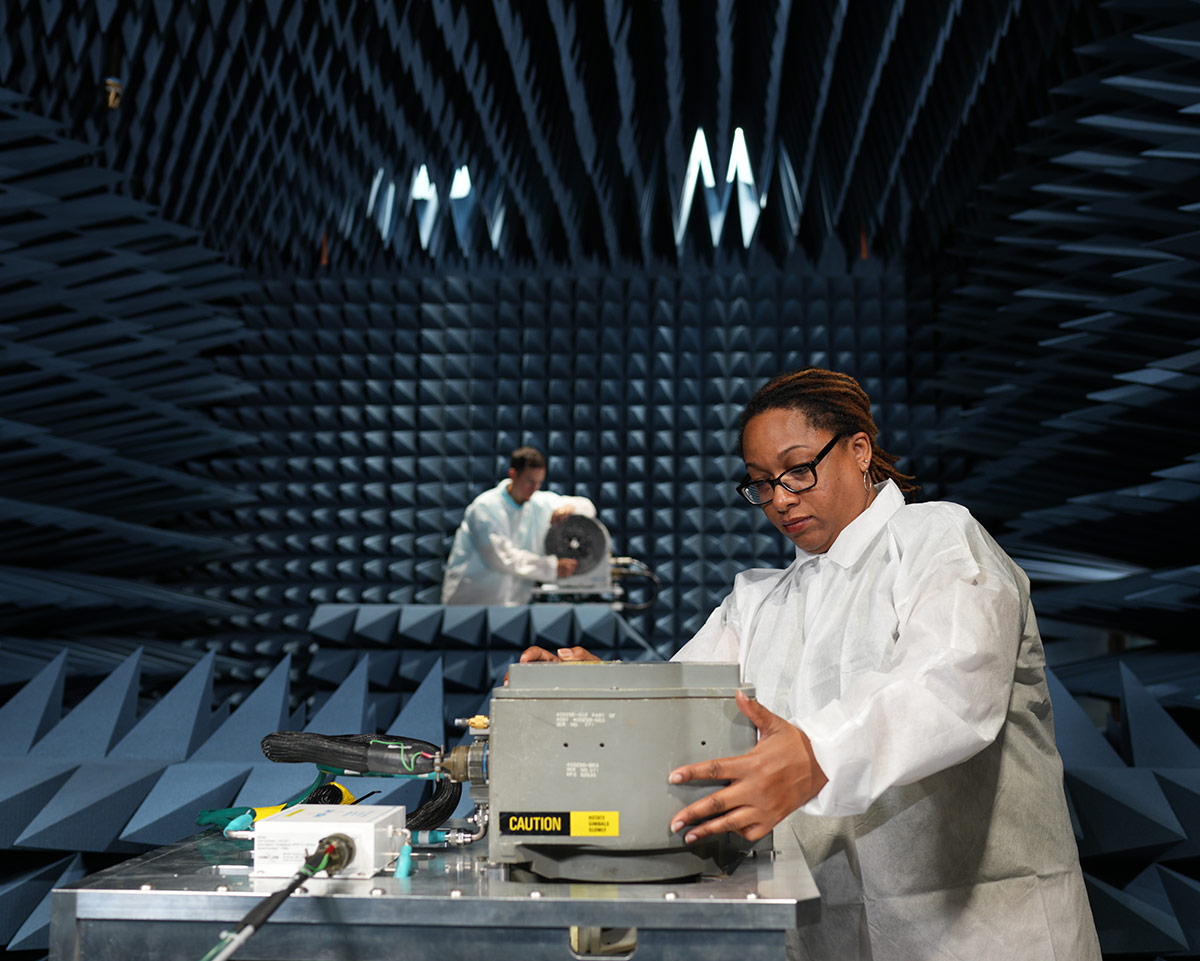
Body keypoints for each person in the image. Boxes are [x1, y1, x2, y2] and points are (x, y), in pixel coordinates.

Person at [520, 368, 1100, 961]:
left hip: (983, 930)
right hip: (833, 930)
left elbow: (950, 685)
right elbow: (682, 703)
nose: (781, 499)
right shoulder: (760, 600)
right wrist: (600, 686)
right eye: (761, 484)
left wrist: (816, 753)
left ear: (858, 450)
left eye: (799, 470)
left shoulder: (937, 538)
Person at [441, 446, 597, 606]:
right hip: (469, 604)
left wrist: (569, 508)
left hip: (513, 607)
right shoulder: (485, 507)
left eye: (539, 482)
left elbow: (588, 507)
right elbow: (500, 557)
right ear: (513, 474)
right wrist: (552, 568)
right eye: (530, 481)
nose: (534, 488)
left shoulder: (539, 503)